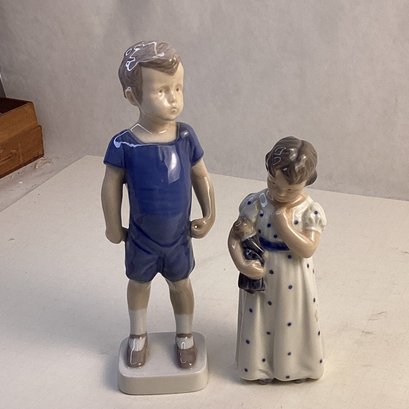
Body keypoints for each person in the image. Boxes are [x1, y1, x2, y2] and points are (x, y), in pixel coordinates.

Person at [101, 41, 215, 369]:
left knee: (181, 284)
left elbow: (201, 176)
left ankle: (185, 334)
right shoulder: (124, 144)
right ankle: (138, 334)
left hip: (178, 236)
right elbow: (110, 187)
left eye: (178, 88)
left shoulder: (185, 137)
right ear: (132, 97)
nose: (174, 98)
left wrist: (210, 214)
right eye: (162, 91)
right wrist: (112, 226)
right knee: (138, 284)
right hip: (141, 237)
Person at [228, 136, 326, 382]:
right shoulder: (256, 203)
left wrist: (285, 226)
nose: (279, 192)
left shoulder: (310, 210)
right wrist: (242, 263)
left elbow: (308, 248)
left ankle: (296, 368)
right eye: (273, 182)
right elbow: (235, 236)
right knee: (261, 320)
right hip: (261, 271)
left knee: (292, 318)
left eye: (290, 189)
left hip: (294, 274)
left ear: (308, 181)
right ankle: (259, 368)